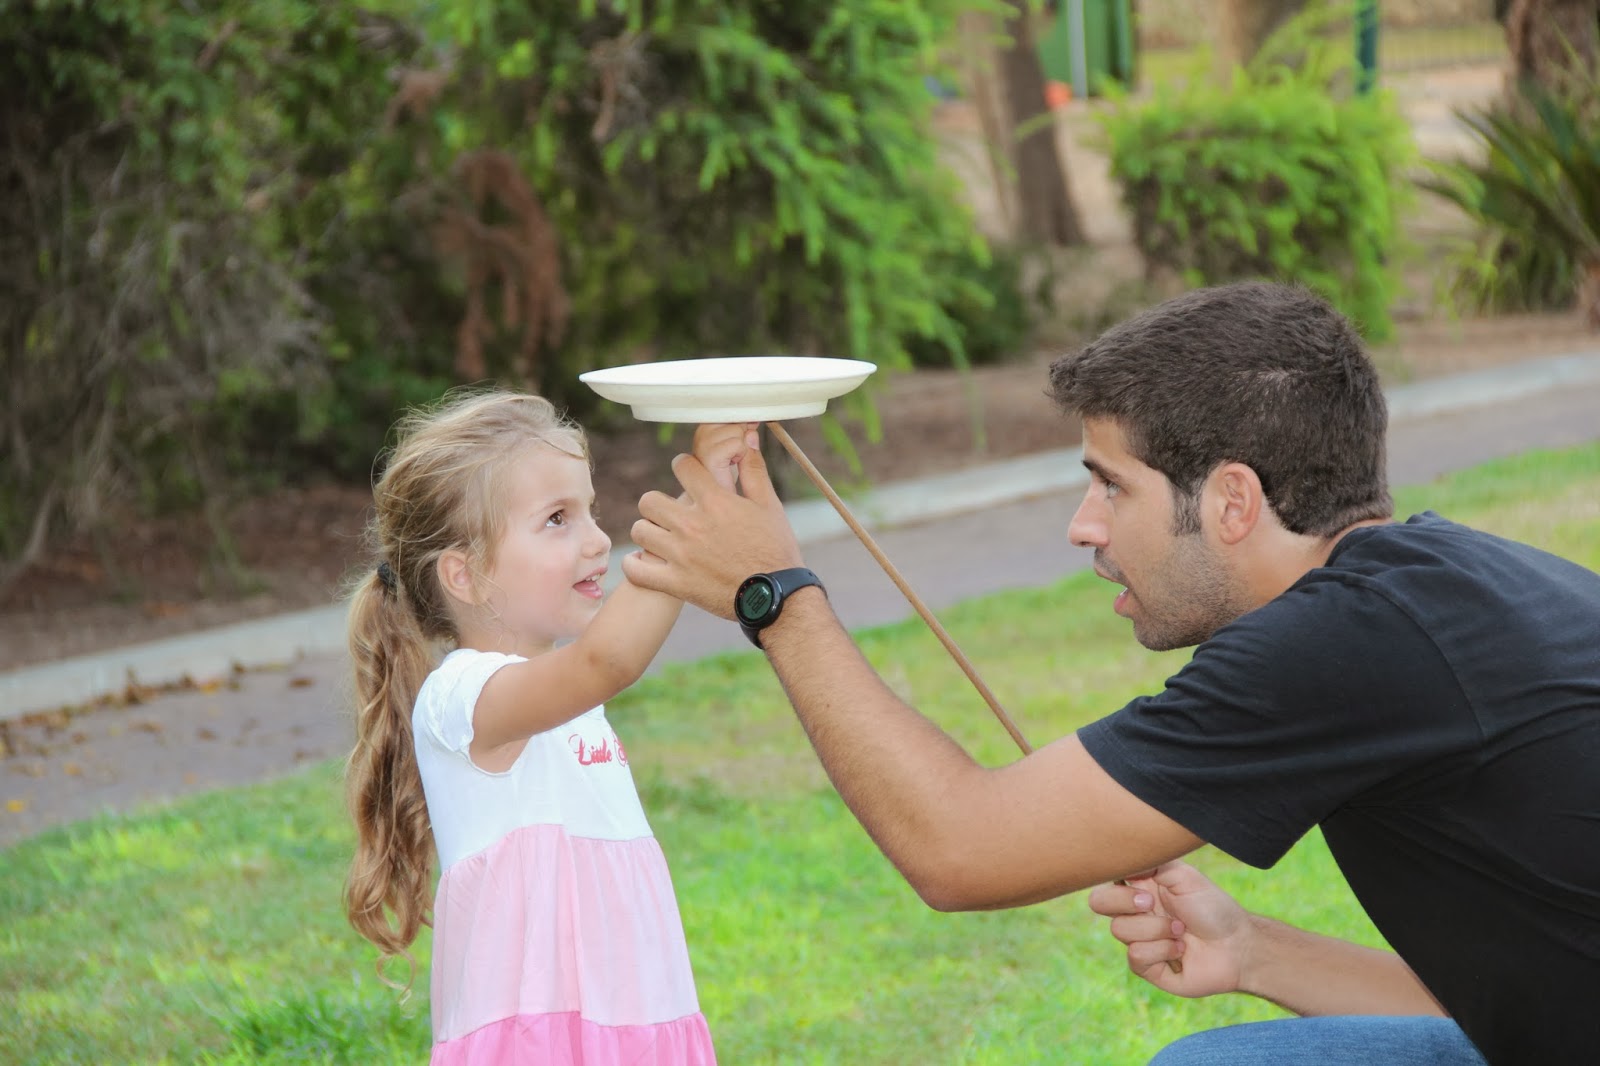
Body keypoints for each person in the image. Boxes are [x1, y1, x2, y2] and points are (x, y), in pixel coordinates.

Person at [621, 282, 1600, 1065]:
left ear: (1230, 500)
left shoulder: (1342, 644)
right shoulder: (1436, 584)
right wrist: (1254, 948)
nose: (1082, 525)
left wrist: (774, 596)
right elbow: (1519, 1003)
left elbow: (959, 847)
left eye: (1109, 485)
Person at [343, 388, 746, 1064]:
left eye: (591, 511)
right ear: (465, 576)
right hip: (538, 1039)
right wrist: (694, 515)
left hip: (634, 1024)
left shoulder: (571, 698)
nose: (595, 539)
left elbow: (602, 661)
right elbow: (609, 658)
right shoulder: (460, 697)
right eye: (558, 519)